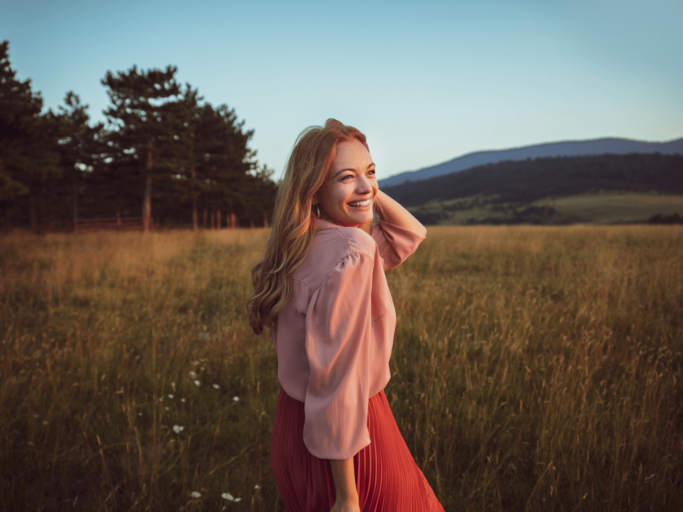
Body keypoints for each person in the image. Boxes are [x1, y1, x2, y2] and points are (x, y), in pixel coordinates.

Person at [247, 119, 444, 512]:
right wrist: (347, 497)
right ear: (314, 190)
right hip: (350, 442)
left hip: (292, 426)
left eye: (371, 172)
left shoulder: (302, 243)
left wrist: (362, 191)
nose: (366, 185)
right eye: (345, 177)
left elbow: (409, 234)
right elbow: (338, 379)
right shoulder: (352, 249)